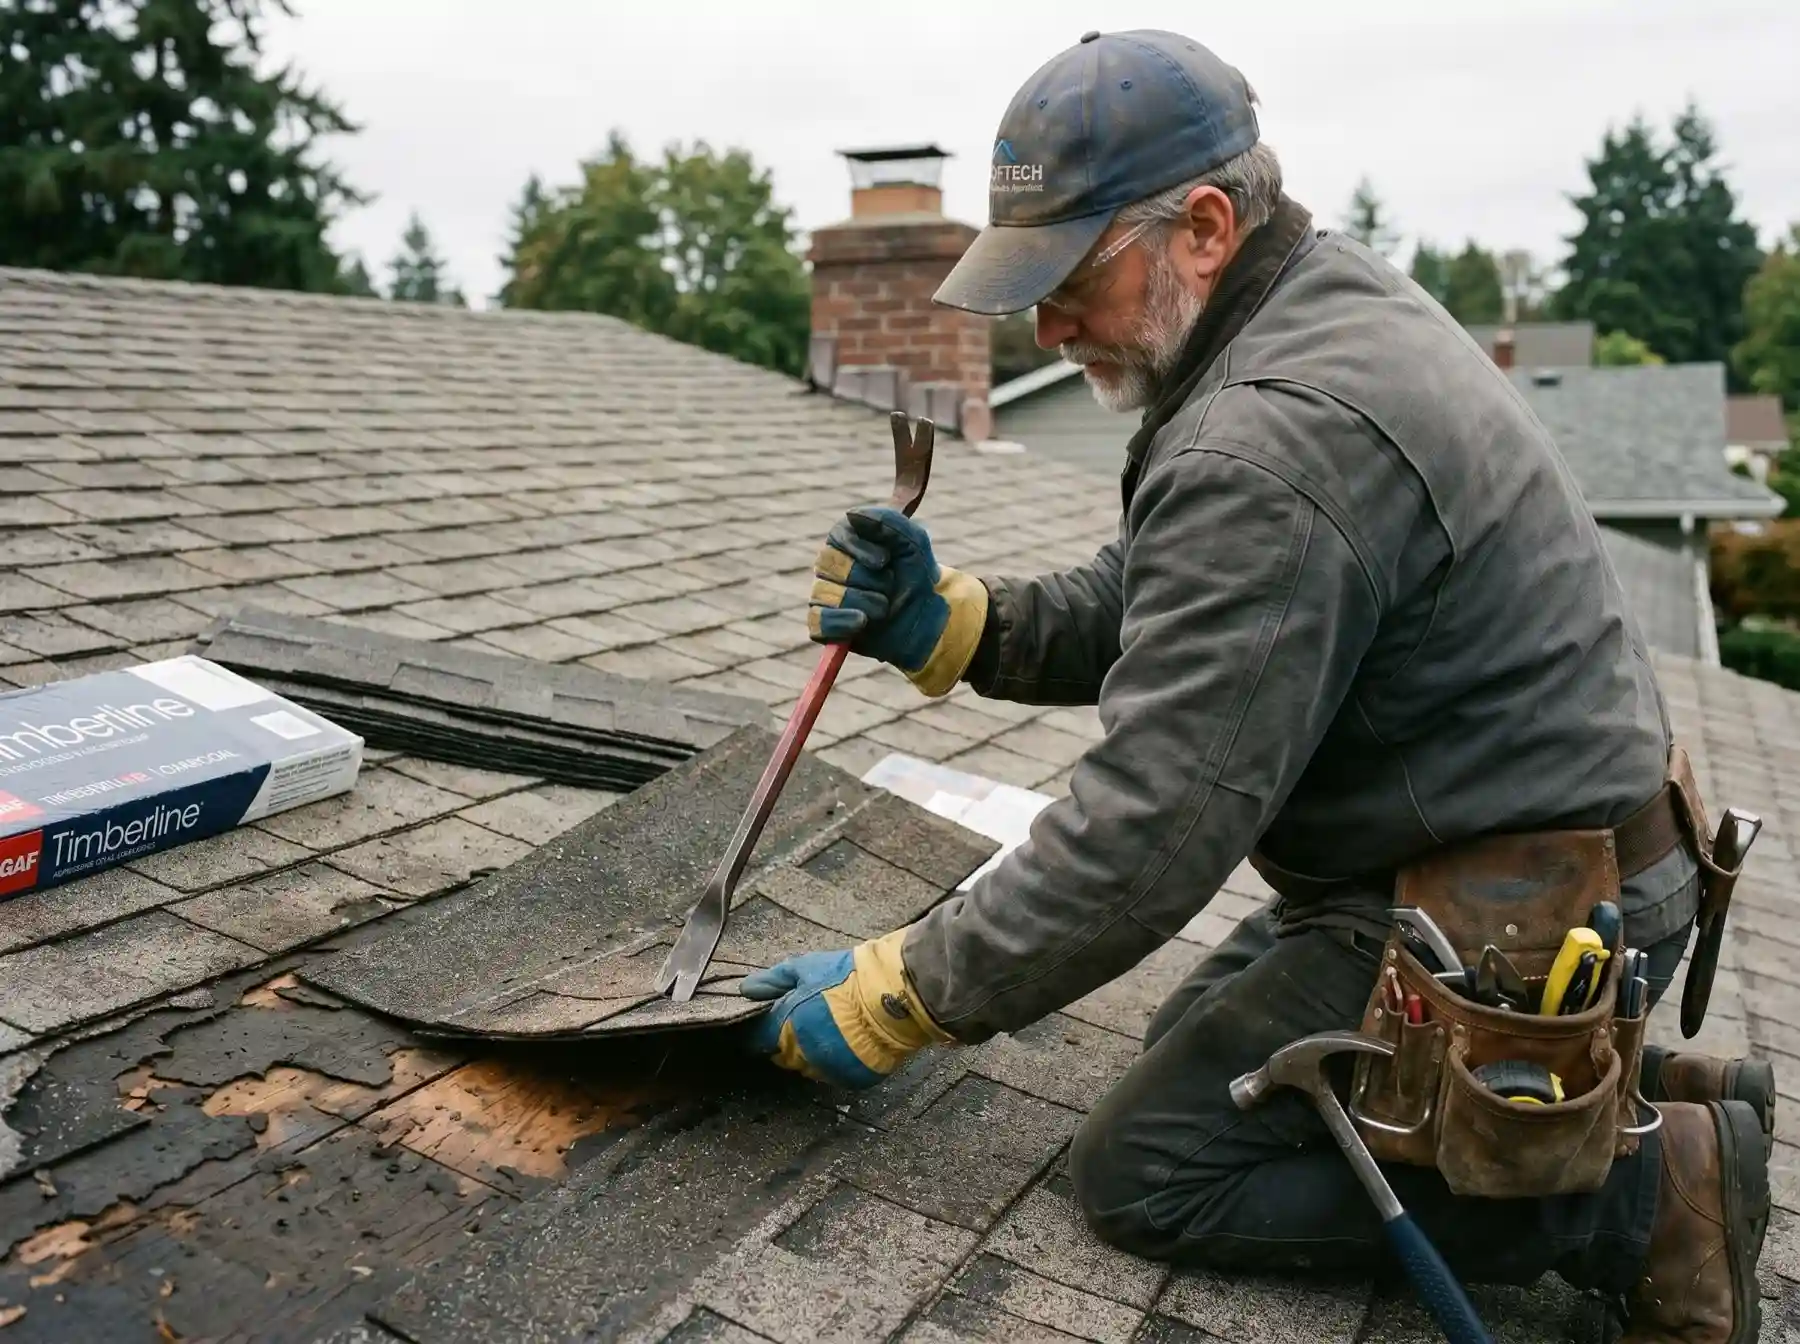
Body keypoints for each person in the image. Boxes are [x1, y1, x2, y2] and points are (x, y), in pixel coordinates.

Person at [740, 28, 1773, 1343]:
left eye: (1068, 279)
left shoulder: (1274, 435)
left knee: (1153, 1167)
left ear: (1207, 226)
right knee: (1198, 1041)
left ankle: (1638, 1190)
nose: (1043, 327)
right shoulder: (1304, 306)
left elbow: (1151, 834)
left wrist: (906, 990)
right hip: (1510, 852)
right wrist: (962, 624)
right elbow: (1169, 597)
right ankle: (1634, 1090)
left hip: (1530, 904)